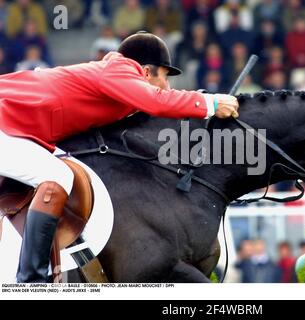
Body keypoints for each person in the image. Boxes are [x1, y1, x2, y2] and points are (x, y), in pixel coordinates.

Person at [0, 31, 239, 283]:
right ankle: (31, 280)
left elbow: (157, 107)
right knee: (58, 176)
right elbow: (157, 101)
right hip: (7, 126)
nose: (168, 87)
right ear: (146, 72)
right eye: (165, 77)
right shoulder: (119, 70)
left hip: (17, 128)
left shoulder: (115, 84)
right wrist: (209, 103)